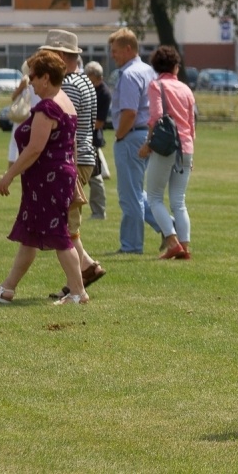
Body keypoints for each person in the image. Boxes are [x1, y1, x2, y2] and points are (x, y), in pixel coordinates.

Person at [0, 50, 88, 305]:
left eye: (34, 78)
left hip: (49, 180)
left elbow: (35, 148)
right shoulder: (65, 102)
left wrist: (9, 175)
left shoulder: (47, 107)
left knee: (59, 235)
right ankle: (7, 289)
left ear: (46, 78)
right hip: (52, 179)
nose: (31, 83)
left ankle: (78, 292)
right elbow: (67, 147)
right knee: (29, 234)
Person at [39, 30, 107, 300]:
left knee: (65, 227)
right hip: (87, 156)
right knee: (69, 223)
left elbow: (67, 128)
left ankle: (78, 283)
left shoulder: (67, 85)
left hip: (73, 158)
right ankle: (86, 269)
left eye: (50, 53)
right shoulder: (86, 82)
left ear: (62, 56)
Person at [139, 45, 197, 260]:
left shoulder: (156, 85)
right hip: (186, 146)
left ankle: (172, 242)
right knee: (179, 200)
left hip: (165, 146)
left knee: (154, 196)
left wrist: (148, 143)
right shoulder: (186, 89)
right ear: (174, 66)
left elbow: (156, 117)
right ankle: (185, 245)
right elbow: (191, 124)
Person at [108, 27, 162, 254]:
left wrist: (120, 135)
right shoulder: (149, 71)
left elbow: (129, 112)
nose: (113, 56)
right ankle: (171, 228)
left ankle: (131, 245)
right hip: (146, 134)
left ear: (128, 49)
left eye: (116, 51)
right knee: (138, 193)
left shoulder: (129, 75)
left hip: (130, 135)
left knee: (129, 196)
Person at [85, 60, 111, 220]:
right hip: (84, 137)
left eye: (88, 76)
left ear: (94, 76)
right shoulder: (89, 89)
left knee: (95, 177)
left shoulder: (104, 93)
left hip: (92, 139)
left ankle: (99, 212)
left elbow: (99, 122)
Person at [8, 61, 39, 167]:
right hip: (36, 115)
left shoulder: (25, 80)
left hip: (24, 114)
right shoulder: (40, 81)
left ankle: (10, 168)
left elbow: (13, 96)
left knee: (14, 142)